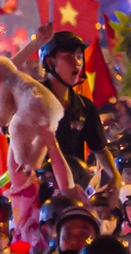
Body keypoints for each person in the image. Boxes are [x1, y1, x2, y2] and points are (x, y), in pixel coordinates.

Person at [36, 30, 114, 182]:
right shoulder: (32, 99)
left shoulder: (84, 106)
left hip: (74, 189)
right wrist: (34, 44)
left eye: (79, 57)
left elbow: (101, 150)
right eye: (67, 57)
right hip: (38, 189)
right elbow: (2, 75)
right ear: (49, 62)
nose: (76, 63)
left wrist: (115, 179)